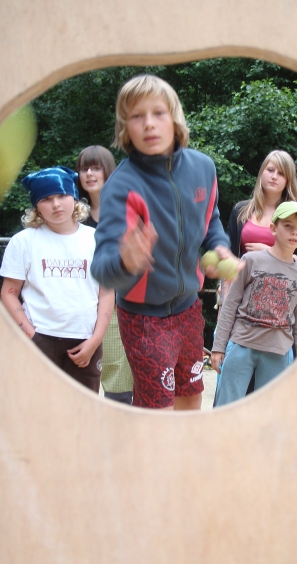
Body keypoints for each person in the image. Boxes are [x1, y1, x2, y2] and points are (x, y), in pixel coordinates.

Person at [90, 74, 238, 411]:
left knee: (191, 400)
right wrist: (125, 261)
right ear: (125, 128)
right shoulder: (121, 186)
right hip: (143, 319)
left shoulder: (203, 168)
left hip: (189, 309)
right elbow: (101, 270)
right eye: (137, 116)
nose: (149, 124)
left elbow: (211, 220)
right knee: (157, 414)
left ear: (175, 118)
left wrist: (220, 247)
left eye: (158, 113)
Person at [0, 166, 114, 392]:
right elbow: (9, 292)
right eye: (46, 199)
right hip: (39, 338)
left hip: (85, 340)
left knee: (82, 408)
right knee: (37, 406)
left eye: (62, 196)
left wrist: (95, 340)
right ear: (36, 206)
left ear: (74, 198)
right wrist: (31, 337)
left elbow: (107, 292)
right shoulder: (23, 241)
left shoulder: (97, 239)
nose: (56, 205)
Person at [211, 201, 297, 406]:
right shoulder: (251, 260)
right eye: (288, 226)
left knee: (267, 411)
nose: (294, 232)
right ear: (273, 228)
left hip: (278, 352)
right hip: (242, 345)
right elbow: (230, 305)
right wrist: (218, 347)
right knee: (227, 406)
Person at [75, 145, 134, 405]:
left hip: (123, 304)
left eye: (95, 168)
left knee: (118, 380)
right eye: (83, 168)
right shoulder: (71, 216)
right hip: (81, 304)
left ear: (108, 171)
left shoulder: (127, 210)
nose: (89, 174)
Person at [227, 150, 297, 272]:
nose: (274, 176)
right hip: (242, 280)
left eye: (281, 173)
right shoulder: (240, 210)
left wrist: (270, 253)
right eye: (270, 170)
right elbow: (229, 251)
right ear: (261, 173)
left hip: (281, 282)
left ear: (288, 180)